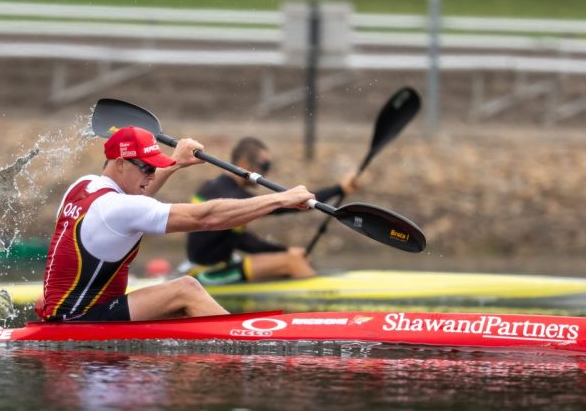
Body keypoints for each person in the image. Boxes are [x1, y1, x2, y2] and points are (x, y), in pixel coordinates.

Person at [35, 126, 314, 323]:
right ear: (120, 164)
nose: (152, 175)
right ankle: (253, 341)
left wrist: (177, 162)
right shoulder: (119, 207)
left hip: (64, 312)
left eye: (155, 167)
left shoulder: (83, 185)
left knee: (180, 306)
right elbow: (205, 218)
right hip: (80, 321)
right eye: (147, 168)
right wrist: (280, 199)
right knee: (185, 290)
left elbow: (134, 199)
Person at [185, 136, 358, 284]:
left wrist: (284, 251)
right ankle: (325, 301)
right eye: (264, 166)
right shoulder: (233, 197)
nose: (265, 173)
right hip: (207, 275)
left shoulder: (212, 187)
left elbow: (238, 240)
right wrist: (286, 252)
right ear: (244, 163)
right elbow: (247, 241)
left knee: (289, 259)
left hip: (213, 265)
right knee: (291, 261)